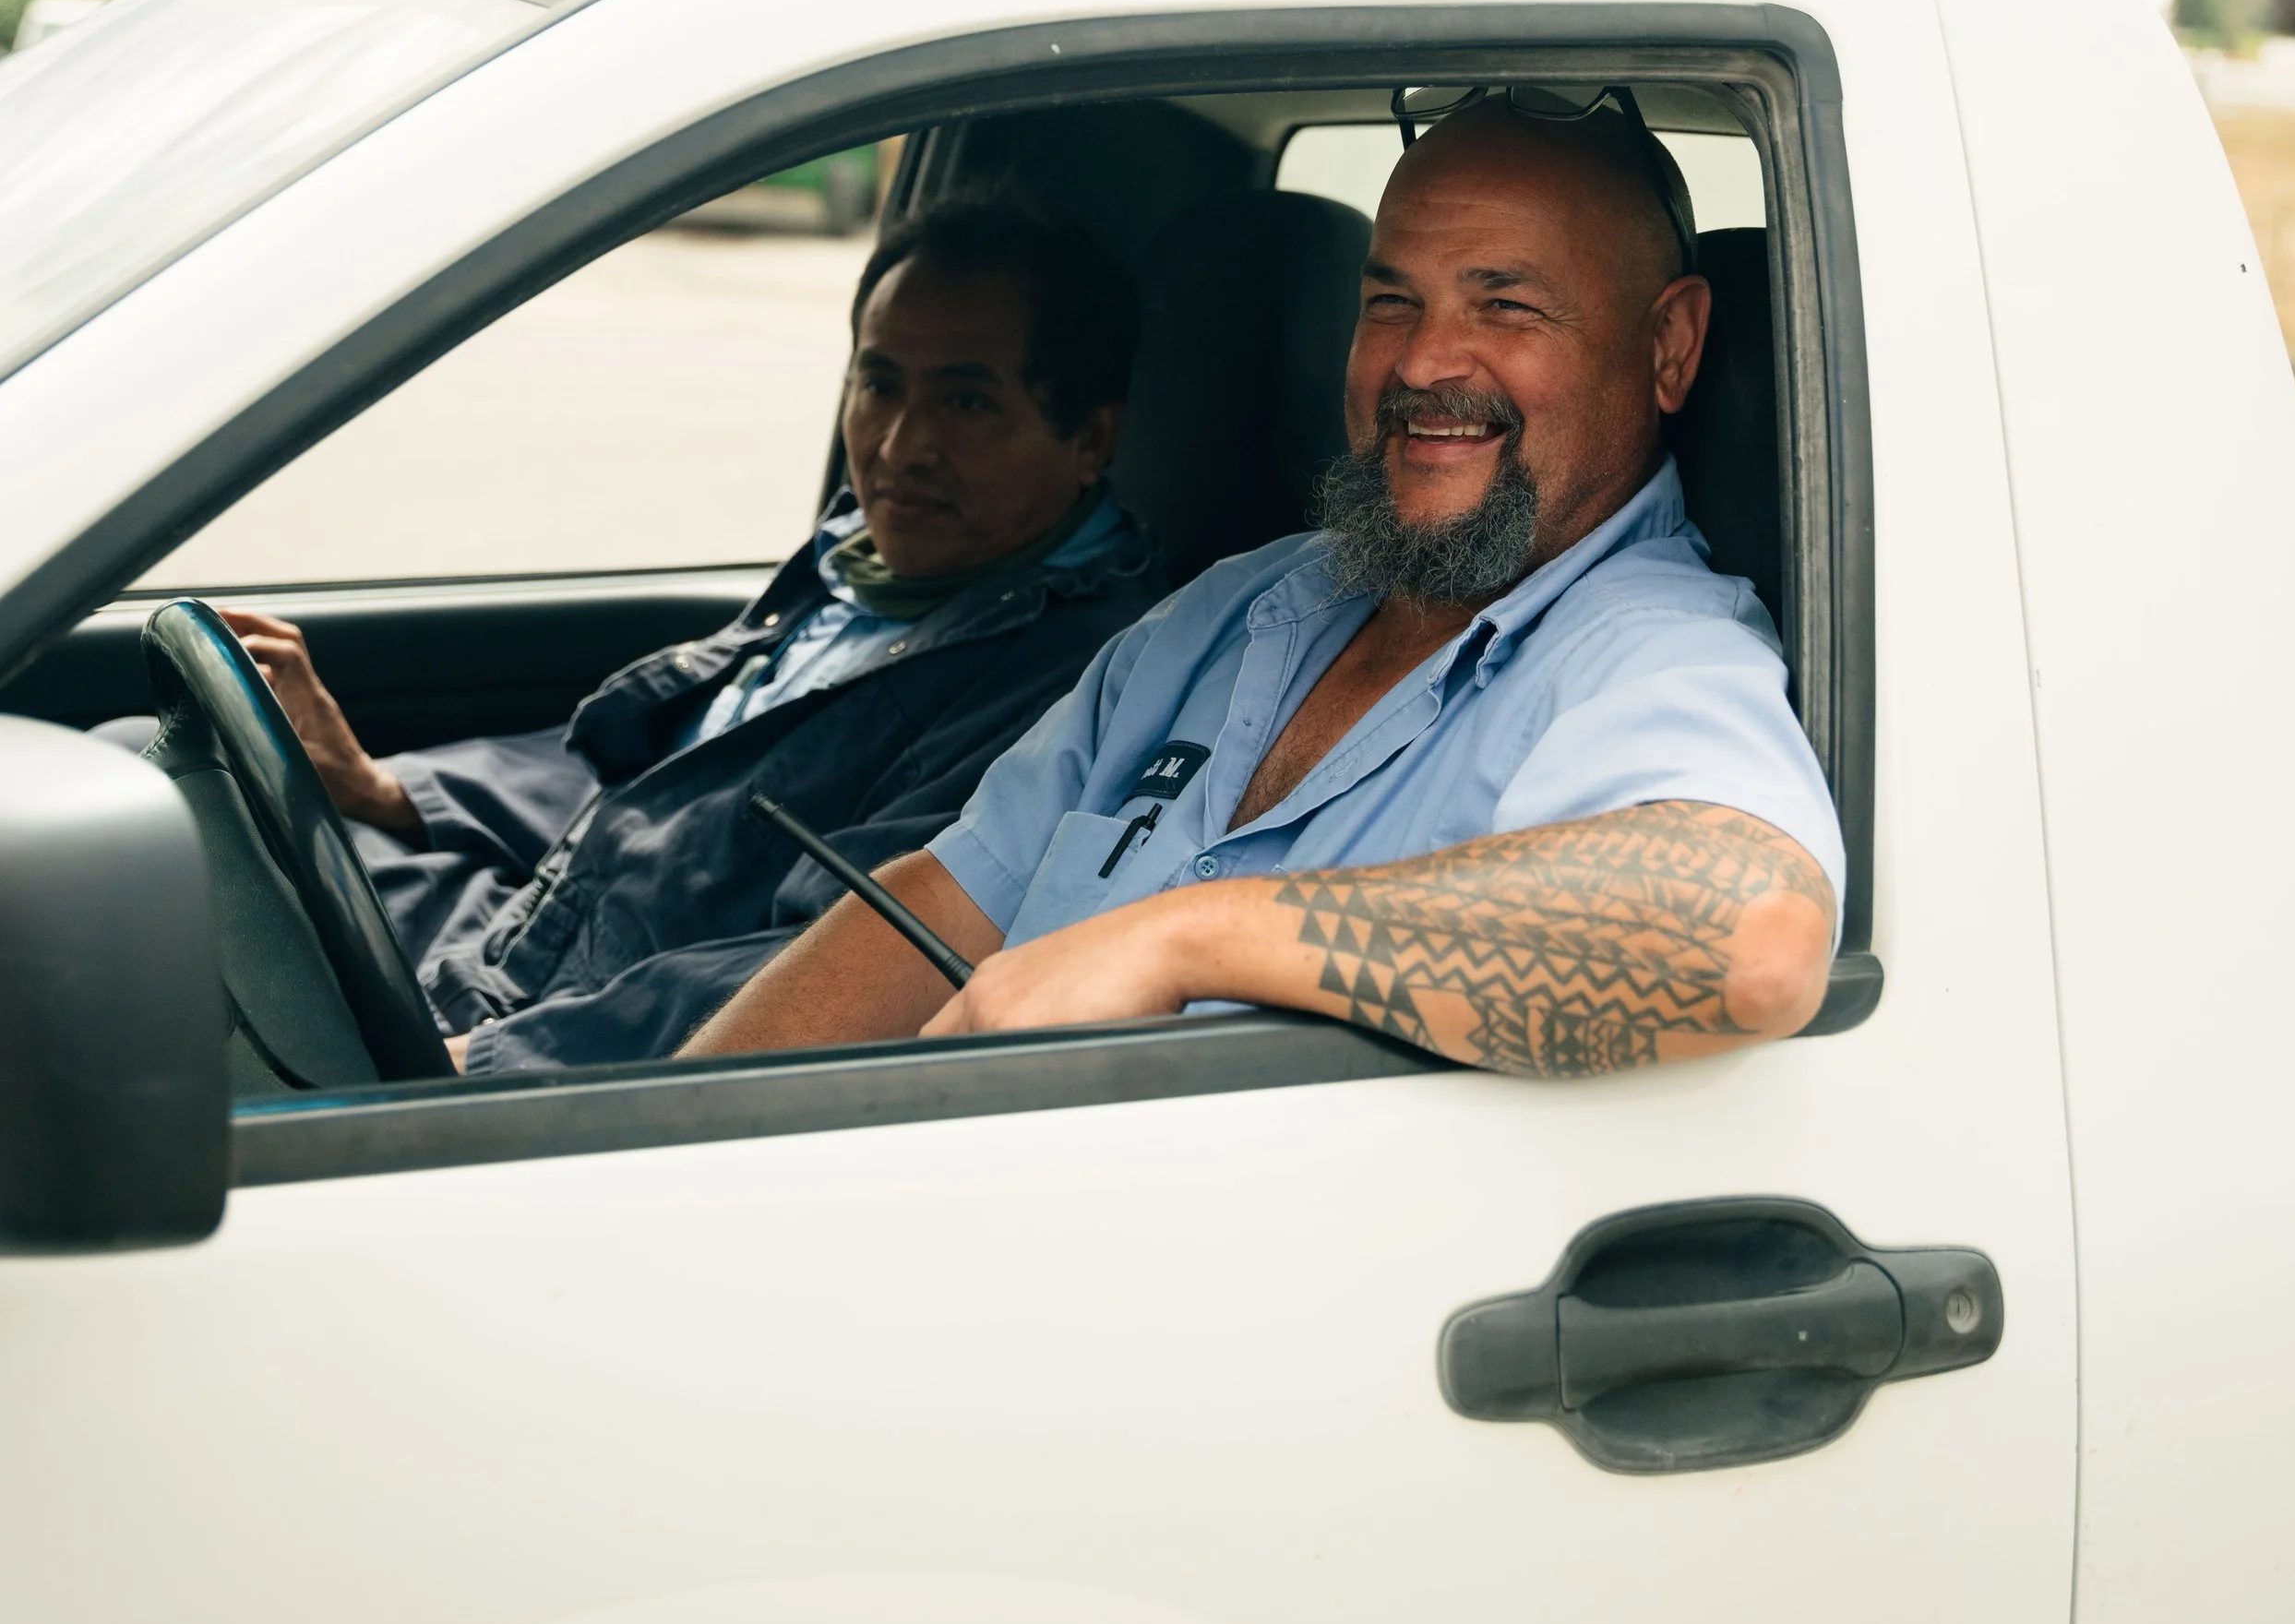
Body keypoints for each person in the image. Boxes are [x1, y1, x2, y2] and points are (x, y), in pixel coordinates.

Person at [683, 92, 1843, 1079]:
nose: (1425, 361)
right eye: (1392, 300)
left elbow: (1750, 935)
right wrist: (679, 1141)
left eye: (1506, 304)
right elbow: (942, 899)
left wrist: (1187, 936)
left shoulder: (1648, 653)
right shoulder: (1234, 612)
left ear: (1669, 347)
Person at [223, 203, 1160, 1073]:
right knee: (191, 798)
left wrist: (504, 1059)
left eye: (965, 403)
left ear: (1087, 437)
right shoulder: (868, 569)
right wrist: (391, 791)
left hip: (590, 1028)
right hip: (527, 932)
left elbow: (836, 962)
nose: (897, 444)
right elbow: (672, 774)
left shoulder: (1065, 682)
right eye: (879, 383)